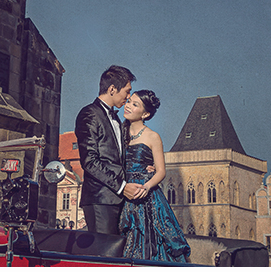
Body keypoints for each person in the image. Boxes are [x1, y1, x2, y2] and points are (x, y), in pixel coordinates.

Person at [119, 90, 190, 262]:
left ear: (145, 114)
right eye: (128, 101)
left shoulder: (152, 136)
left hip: (146, 197)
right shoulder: (120, 132)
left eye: (135, 104)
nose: (128, 105)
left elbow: (161, 171)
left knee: (150, 241)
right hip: (123, 192)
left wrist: (147, 186)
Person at [74, 65, 145, 234]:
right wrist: (122, 187)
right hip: (100, 200)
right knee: (103, 255)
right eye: (127, 92)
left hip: (117, 199)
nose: (128, 97)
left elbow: (119, 158)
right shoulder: (89, 114)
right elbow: (89, 162)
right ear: (112, 89)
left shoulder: (116, 118)